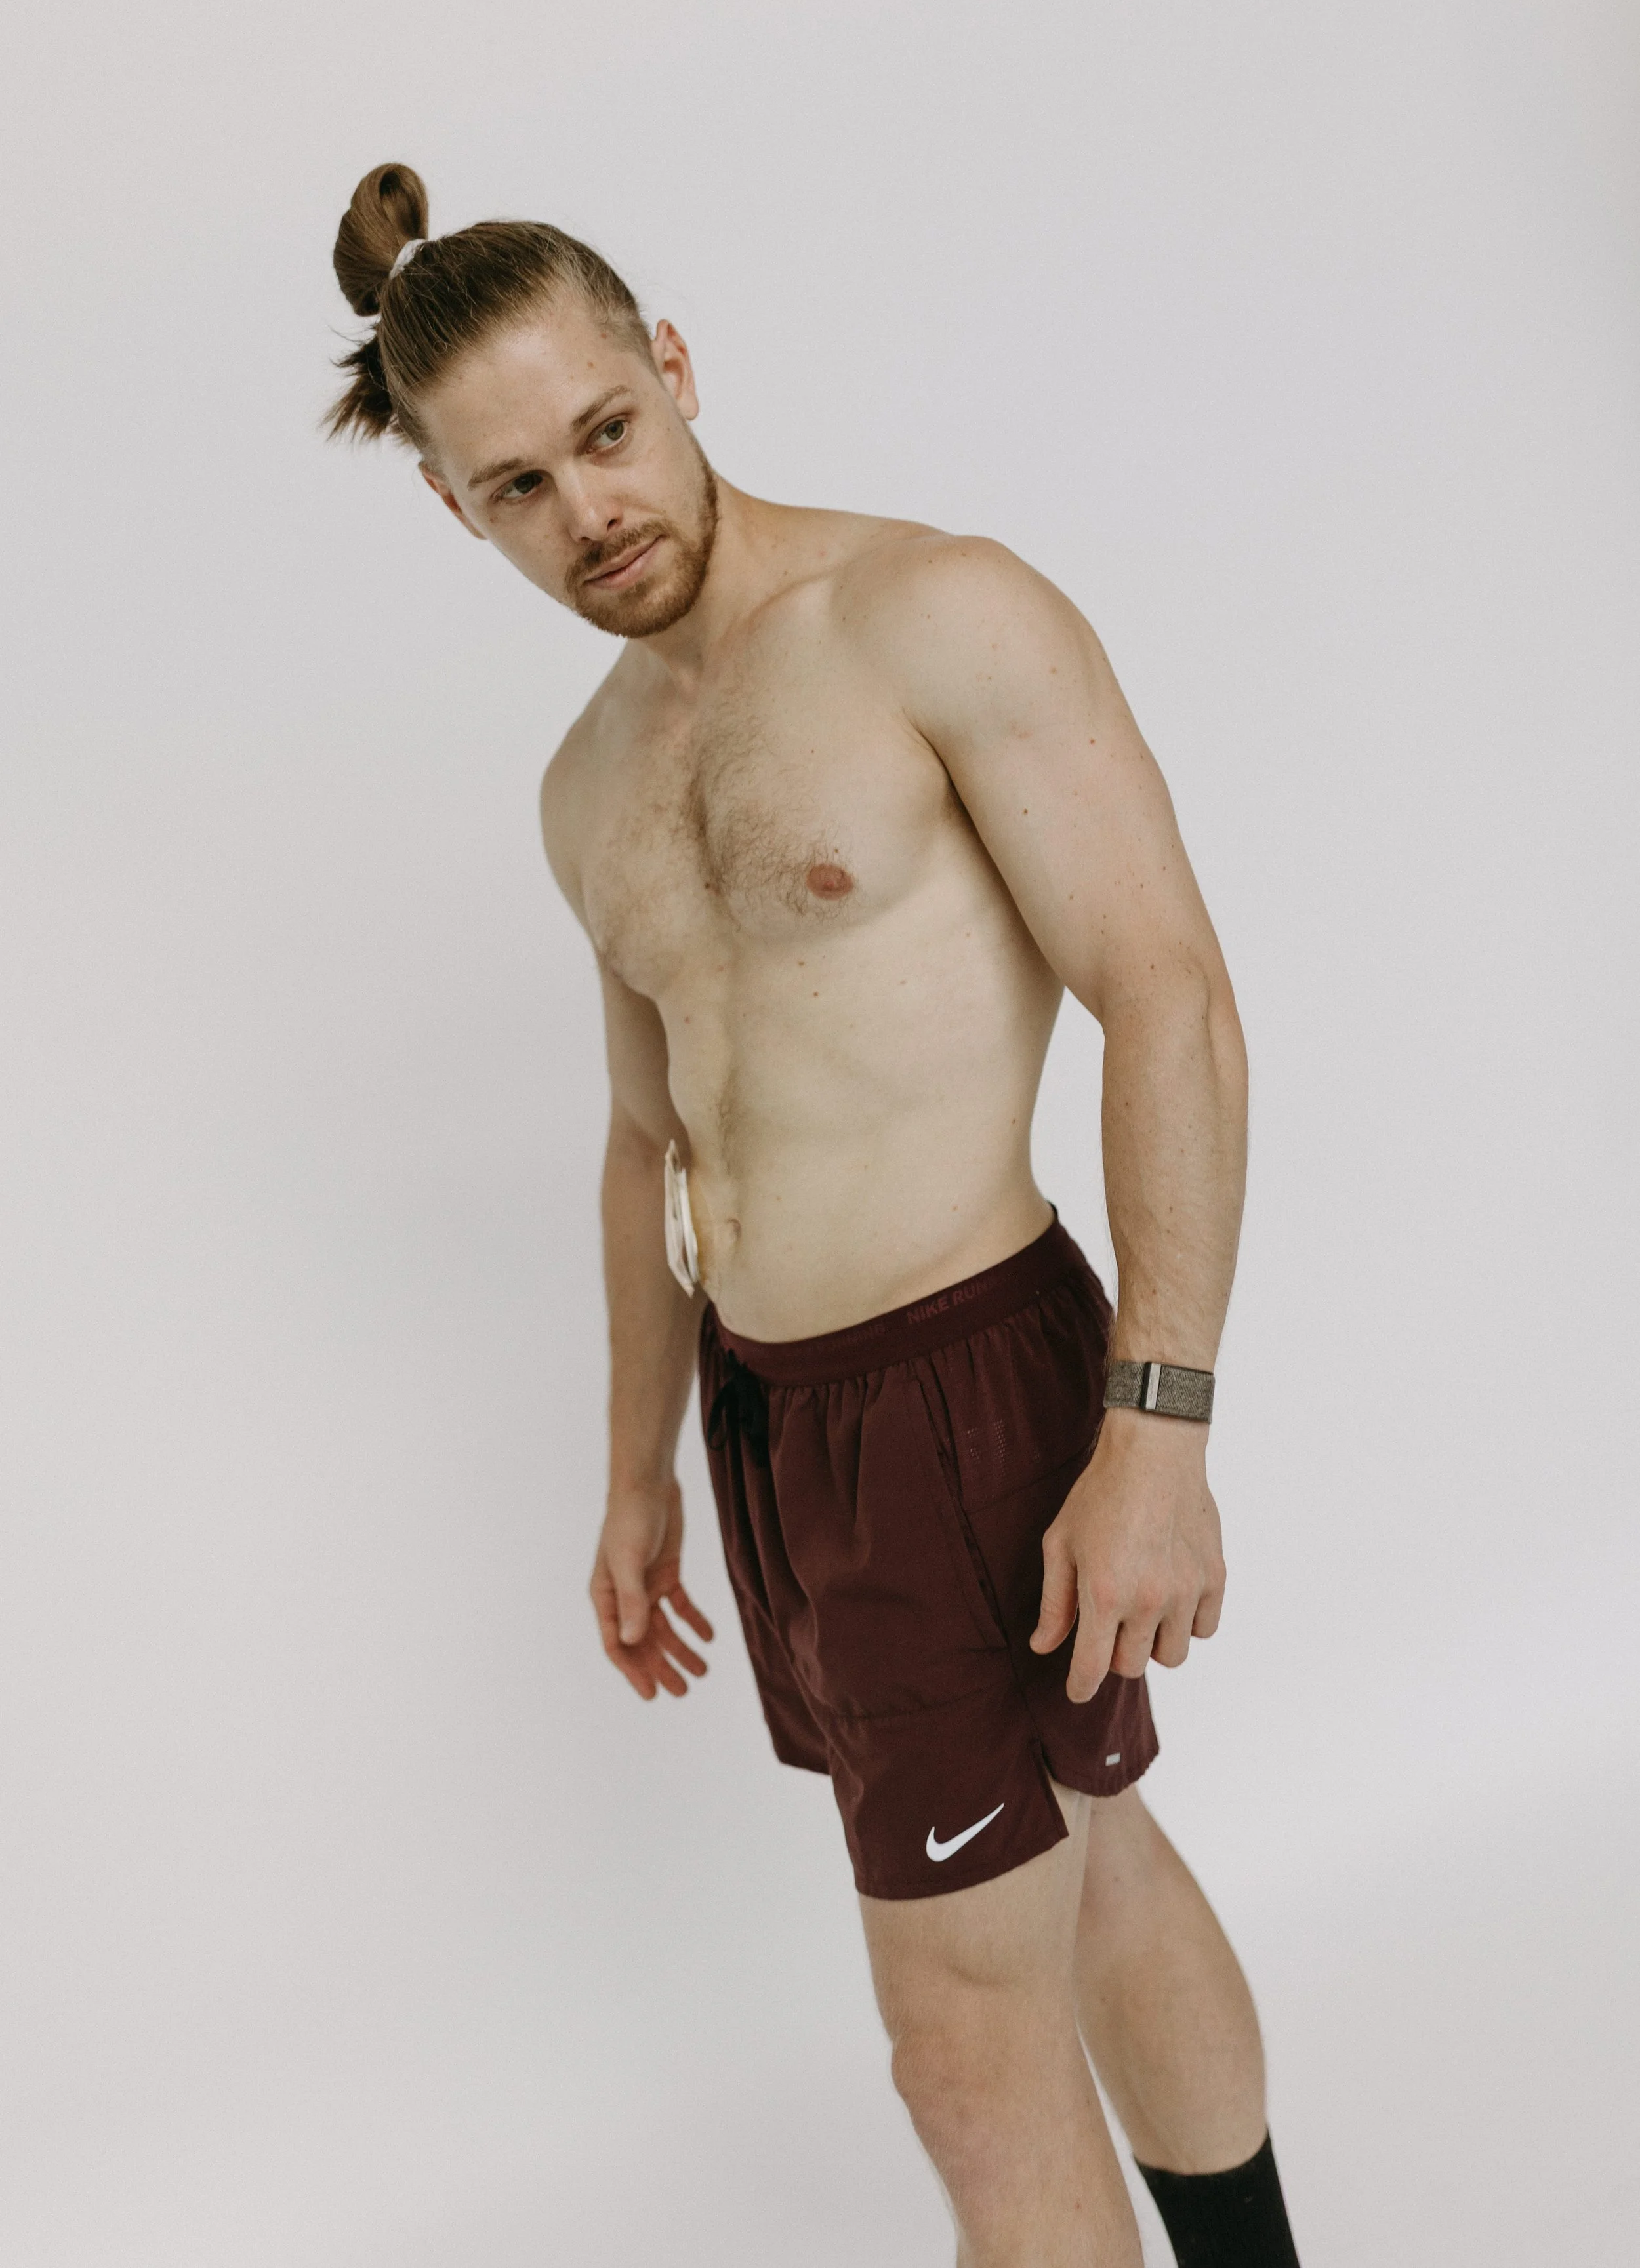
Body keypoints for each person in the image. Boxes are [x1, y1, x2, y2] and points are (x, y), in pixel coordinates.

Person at [327, 161, 1302, 2268]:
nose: (587, 510)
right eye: (514, 487)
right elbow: (641, 1137)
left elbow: (1171, 997)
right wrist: (639, 1464)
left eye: (603, 433)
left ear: (671, 370)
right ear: (453, 512)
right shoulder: (588, 785)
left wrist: (1159, 1423)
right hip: (786, 1423)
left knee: (961, 2048)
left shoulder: (932, 613)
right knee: (1098, 1851)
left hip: (979, 1377)